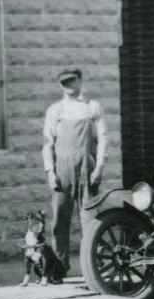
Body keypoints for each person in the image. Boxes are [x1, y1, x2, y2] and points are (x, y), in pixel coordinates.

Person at [40, 67, 107, 275]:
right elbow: (47, 143)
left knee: (90, 220)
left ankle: (94, 267)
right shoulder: (55, 110)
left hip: (87, 167)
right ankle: (59, 267)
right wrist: (50, 172)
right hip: (63, 169)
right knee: (60, 220)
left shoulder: (92, 107)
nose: (69, 86)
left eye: (72, 81)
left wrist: (99, 167)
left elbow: (103, 138)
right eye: (64, 83)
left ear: (80, 80)